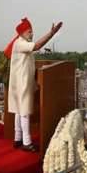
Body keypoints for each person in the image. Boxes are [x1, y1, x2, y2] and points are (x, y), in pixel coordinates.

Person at [7, 17, 63, 151]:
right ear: (21, 33)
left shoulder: (21, 43)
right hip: (21, 84)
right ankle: (26, 143)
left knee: (19, 111)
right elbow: (37, 46)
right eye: (29, 31)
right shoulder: (20, 43)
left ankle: (18, 138)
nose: (32, 34)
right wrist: (52, 33)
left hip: (21, 84)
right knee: (24, 111)